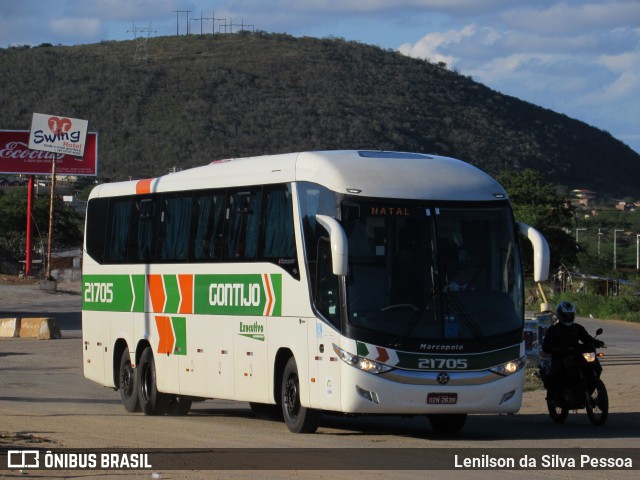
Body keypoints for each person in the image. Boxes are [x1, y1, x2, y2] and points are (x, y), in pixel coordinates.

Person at [541, 301, 604, 400]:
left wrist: (597, 342)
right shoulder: (553, 330)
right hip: (561, 357)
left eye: (570, 315)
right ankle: (557, 397)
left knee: (596, 366)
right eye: (566, 315)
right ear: (560, 315)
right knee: (557, 372)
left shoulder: (577, 328)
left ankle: (591, 389)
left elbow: (587, 338)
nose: (568, 317)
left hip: (577, 356)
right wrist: (556, 348)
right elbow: (546, 347)